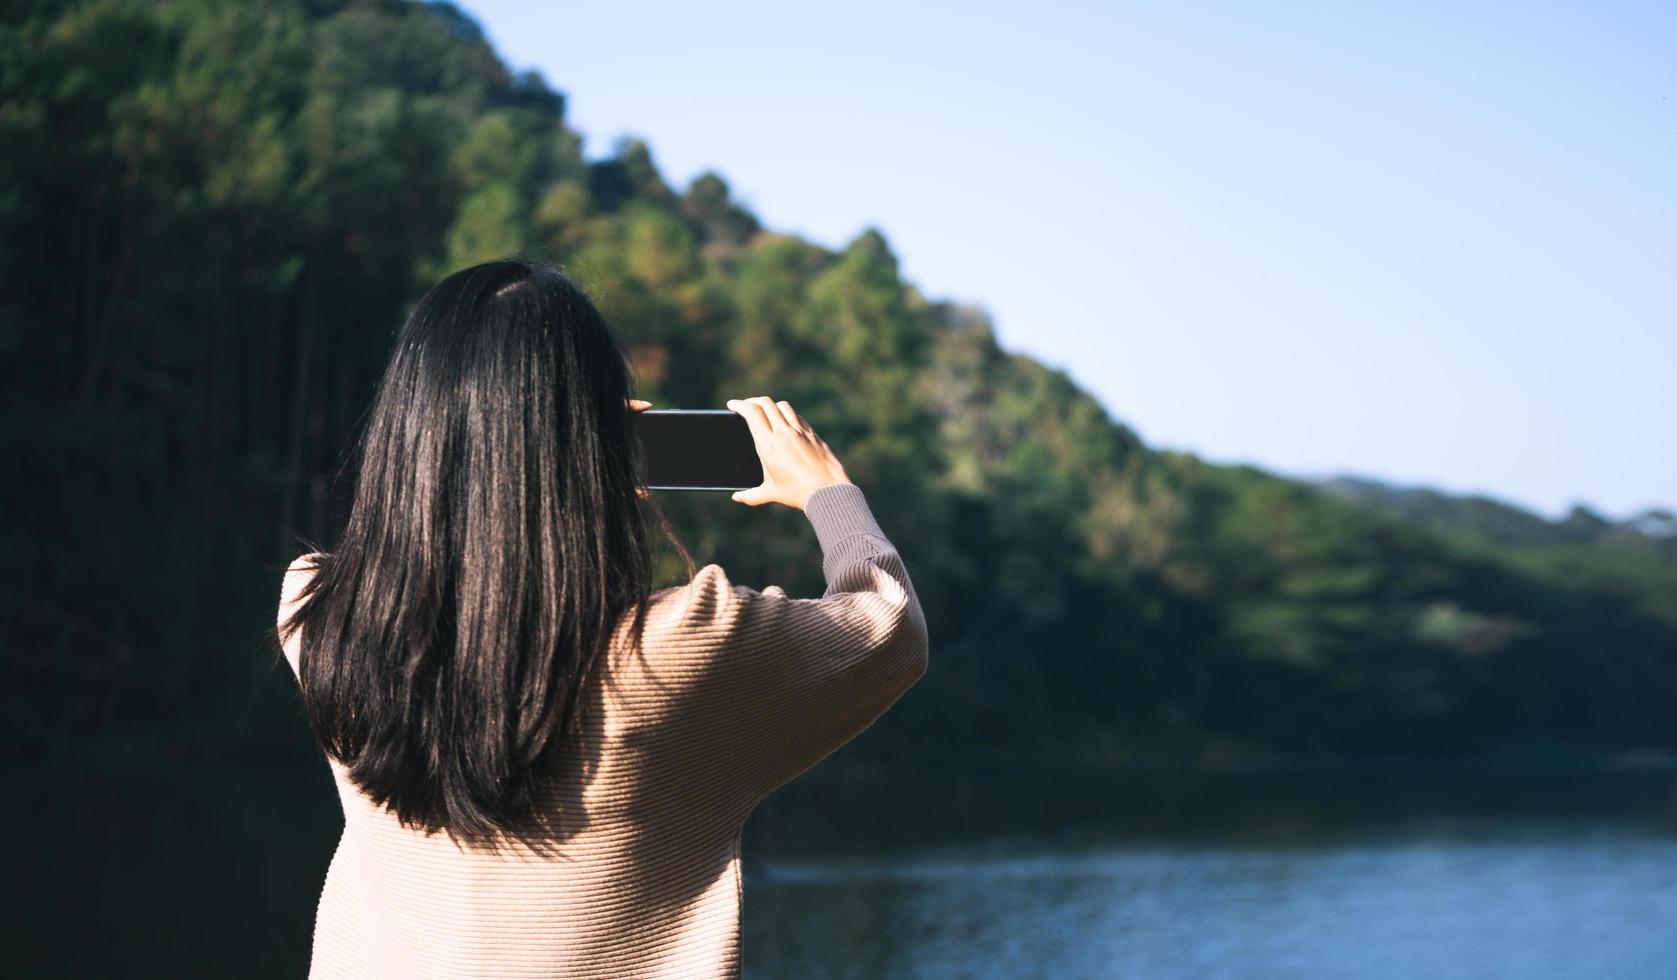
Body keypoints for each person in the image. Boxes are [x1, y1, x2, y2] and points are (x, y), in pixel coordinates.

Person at [273, 258, 928, 979]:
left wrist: (580, 455)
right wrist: (828, 494)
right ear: (601, 443)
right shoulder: (679, 647)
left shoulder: (316, 615)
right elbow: (887, 625)